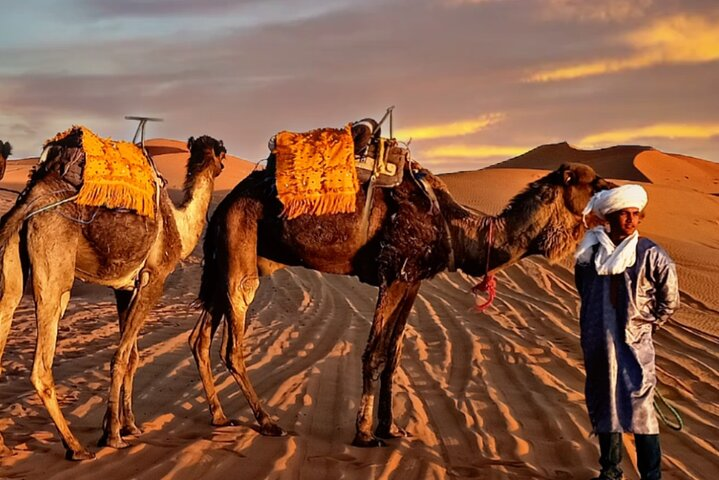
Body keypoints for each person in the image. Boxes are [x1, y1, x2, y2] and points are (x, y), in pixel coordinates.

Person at [574, 184, 679, 480]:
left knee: (642, 410)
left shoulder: (652, 254)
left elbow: (669, 300)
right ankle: (610, 471)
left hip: (635, 347)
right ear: (610, 216)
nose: (631, 220)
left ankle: (651, 474)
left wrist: (645, 326)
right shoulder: (589, 254)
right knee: (605, 404)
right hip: (598, 343)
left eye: (635, 214)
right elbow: (584, 290)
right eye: (624, 214)